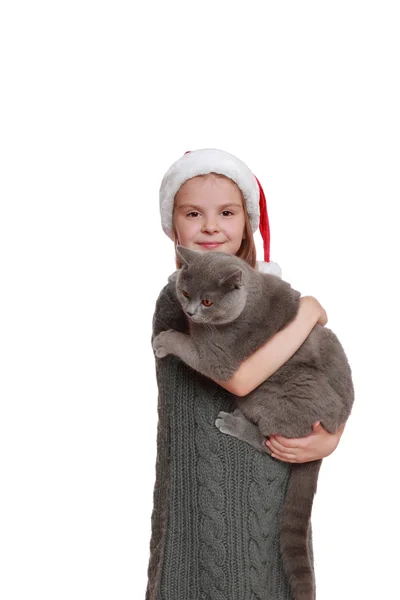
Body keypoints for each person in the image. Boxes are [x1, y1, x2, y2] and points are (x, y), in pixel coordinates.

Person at [146, 148, 345, 600]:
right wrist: (305, 314)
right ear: (173, 226)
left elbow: (321, 372)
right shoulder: (179, 299)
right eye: (194, 213)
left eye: (227, 212)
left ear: (246, 223)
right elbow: (237, 378)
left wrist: (331, 436)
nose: (211, 226)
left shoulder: (266, 296)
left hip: (273, 477)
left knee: (274, 577)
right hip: (199, 495)